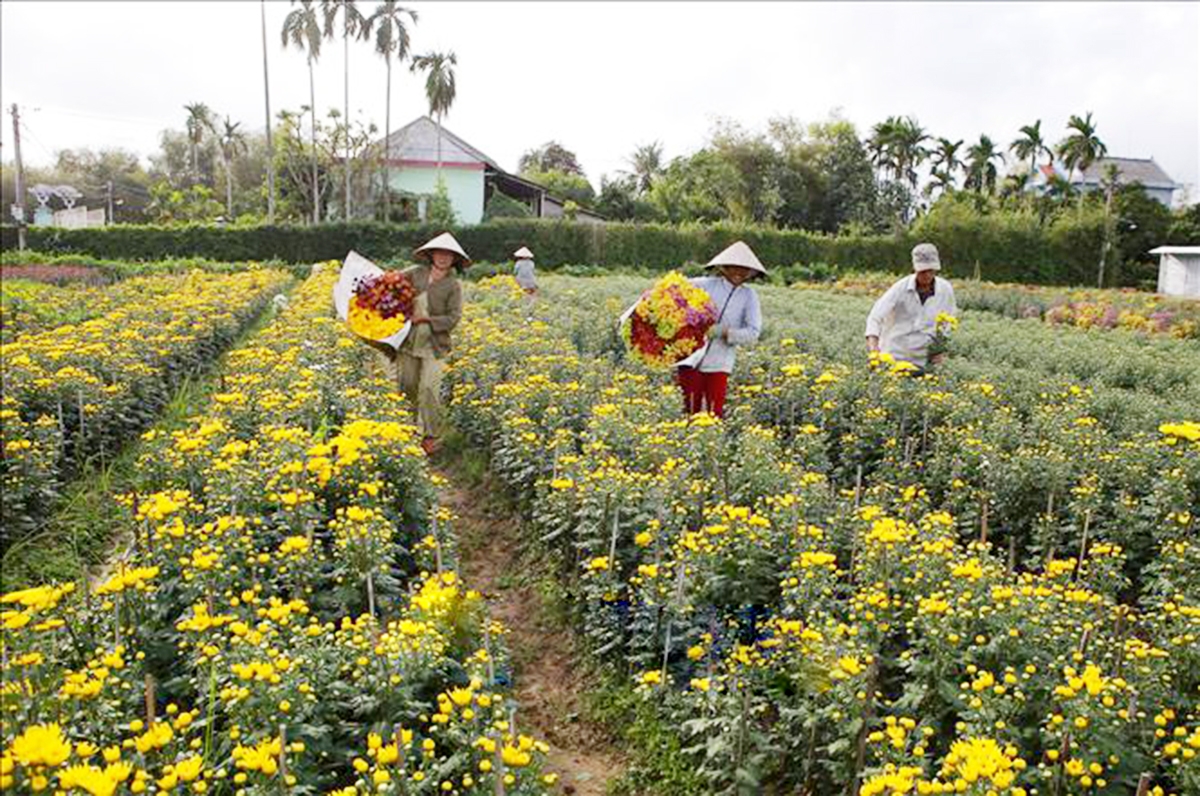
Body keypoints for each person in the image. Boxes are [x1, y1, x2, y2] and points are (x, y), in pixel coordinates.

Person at [390, 231, 467, 455]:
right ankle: (406, 431)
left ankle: (430, 436)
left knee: (430, 389)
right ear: (431, 254)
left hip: (435, 345)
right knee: (407, 387)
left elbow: (453, 318)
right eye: (439, 253)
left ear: (454, 259)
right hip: (408, 342)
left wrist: (426, 319)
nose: (443, 257)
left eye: (448, 254)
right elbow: (391, 282)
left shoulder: (453, 285)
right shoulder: (416, 274)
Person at [678, 240, 765, 418]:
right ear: (724, 267)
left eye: (744, 269)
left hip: (720, 362)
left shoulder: (749, 296)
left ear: (750, 273)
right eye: (734, 267)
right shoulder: (703, 284)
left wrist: (725, 332)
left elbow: (753, 332)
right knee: (689, 409)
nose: (739, 273)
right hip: (690, 357)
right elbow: (674, 291)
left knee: (714, 413)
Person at [865, 242, 958, 370]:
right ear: (915, 268)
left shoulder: (945, 290)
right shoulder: (900, 288)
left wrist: (940, 349)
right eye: (922, 271)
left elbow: (948, 321)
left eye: (930, 271)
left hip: (924, 362)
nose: (927, 275)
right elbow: (875, 317)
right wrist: (874, 350)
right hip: (894, 356)